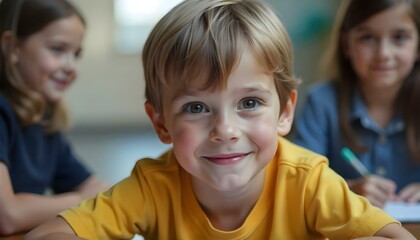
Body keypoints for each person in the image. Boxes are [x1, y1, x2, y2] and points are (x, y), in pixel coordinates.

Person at [24, 0, 415, 239]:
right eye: (196, 108)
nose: (225, 130)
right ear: (160, 123)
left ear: (286, 112)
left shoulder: (308, 181)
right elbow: (50, 233)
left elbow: (393, 235)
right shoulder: (152, 187)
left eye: (248, 102)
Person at [292, 0, 420, 209]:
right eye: (367, 38)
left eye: (399, 37)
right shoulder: (322, 102)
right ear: (346, 45)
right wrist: (348, 190)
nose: (383, 54)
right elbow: (297, 182)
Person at [0, 0, 109, 235]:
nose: (72, 67)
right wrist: (83, 199)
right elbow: (7, 215)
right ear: (13, 47)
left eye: (76, 54)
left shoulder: (45, 119)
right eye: (58, 49)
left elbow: (92, 187)